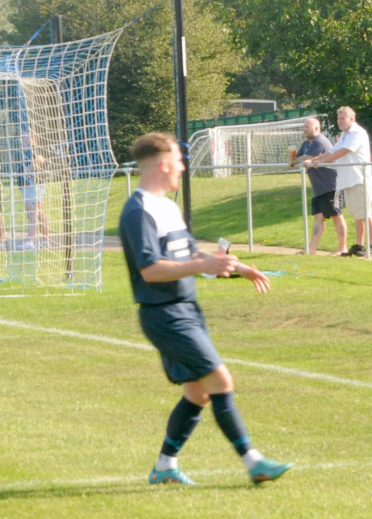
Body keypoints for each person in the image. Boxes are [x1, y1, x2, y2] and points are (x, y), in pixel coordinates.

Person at [118, 132, 292, 486]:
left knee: (197, 393)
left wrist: (233, 266)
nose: (183, 168)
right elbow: (150, 271)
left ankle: (165, 466)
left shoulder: (166, 206)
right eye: (179, 162)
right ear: (164, 164)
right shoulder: (137, 211)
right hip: (164, 314)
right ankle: (253, 461)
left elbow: (188, 255)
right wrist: (201, 266)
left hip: (186, 309)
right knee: (220, 381)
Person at [305, 107, 372, 256]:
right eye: (338, 118)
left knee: (366, 213)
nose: (339, 121)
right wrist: (315, 160)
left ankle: (370, 245)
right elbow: (332, 151)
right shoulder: (344, 134)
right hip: (349, 180)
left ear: (351, 119)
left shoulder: (356, 133)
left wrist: (320, 162)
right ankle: (360, 246)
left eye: (342, 118)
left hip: (360, 178)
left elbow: (343, 152)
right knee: (358, 215)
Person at [290, 118, 348, 255]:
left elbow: (305, 158)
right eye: (304, 127)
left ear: (317, 128)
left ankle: (342, 248)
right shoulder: (306, 144)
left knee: (336, 215)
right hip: (319, 188)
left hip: (332, 185)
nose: (305, 129)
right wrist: (292, 161)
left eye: (308, 126)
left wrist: (297, 161)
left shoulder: (319, 141)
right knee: (318, 217)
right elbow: (297, 159)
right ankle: (311, 250)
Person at [15, 130, 51, 250]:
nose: (24, 140)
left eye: (27, 138)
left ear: (33, 137)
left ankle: (30, 241)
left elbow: (40, 160)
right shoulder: (27, 151)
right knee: (39, 213)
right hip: (29, 186)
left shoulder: (35, 150)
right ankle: (45, 240)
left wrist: (27, 172)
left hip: (33, 185)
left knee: (33, 213)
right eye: (23, 138)